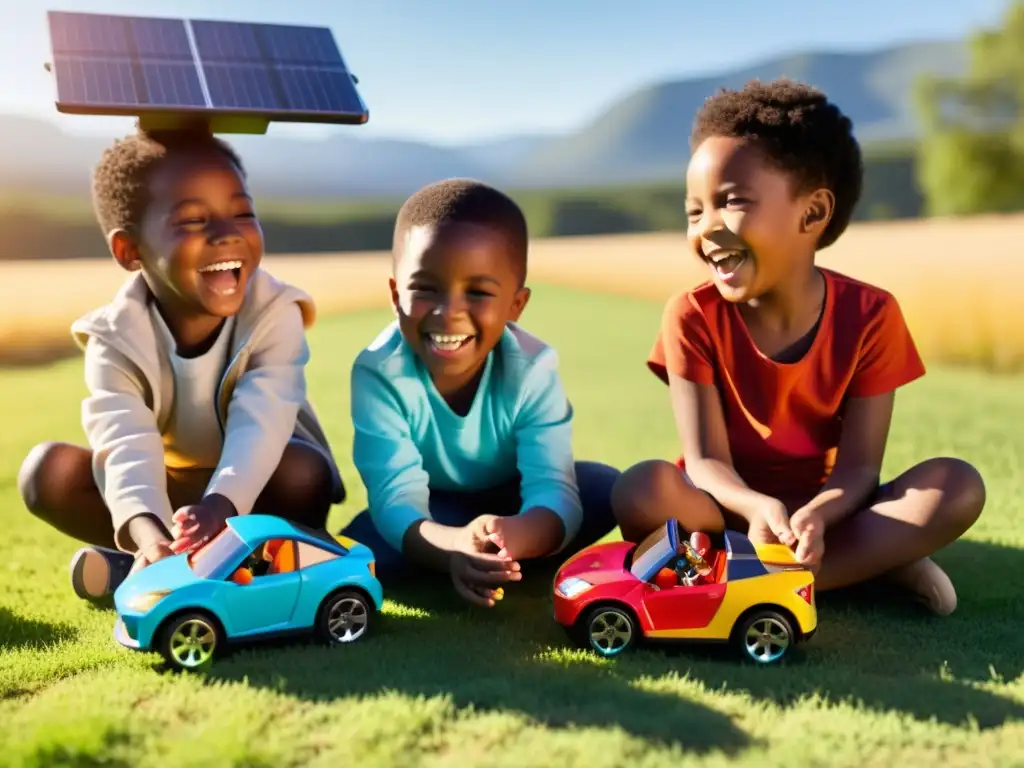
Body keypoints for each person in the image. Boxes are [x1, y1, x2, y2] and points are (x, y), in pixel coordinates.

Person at [610, 79, 986, 616]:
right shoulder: (690, 314)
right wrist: (755, 504)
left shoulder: (872, 315)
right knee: (641, 490)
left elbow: (858, 471)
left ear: (812, 215)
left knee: (956, 485)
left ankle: (754, 578)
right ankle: (863, 568)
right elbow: (705, 460)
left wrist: (818, 516)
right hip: (724, 511)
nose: (706, 230)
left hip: (830, 514)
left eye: (732, 203)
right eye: (694, 212)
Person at [17, 126, 344, 601]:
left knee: (303, 471)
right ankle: (152, 560)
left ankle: (164, 570)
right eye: (192, 220)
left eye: (242, 212)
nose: (227, 233)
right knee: (47, 472)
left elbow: (263, 420)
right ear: (130, 251)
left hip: (257, 484)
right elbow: (125, 439)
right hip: (172, 495)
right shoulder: (113, 335)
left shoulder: (276, 311)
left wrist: (221, 505)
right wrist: (149, 531)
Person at [340, 178, 620, 607]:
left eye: (478, 292)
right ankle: (472, 564)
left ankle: (503, 562)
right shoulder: (379, 371)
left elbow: (552, 487)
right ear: (396, 294)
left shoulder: (533, 367)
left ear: (516, 305)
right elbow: (396, 498)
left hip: (517, 500)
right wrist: (455, 545)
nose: (448, 312)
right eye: (425, 288)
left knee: (603, 486)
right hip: (438, 511)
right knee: (364, 545)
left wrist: (514, 537)